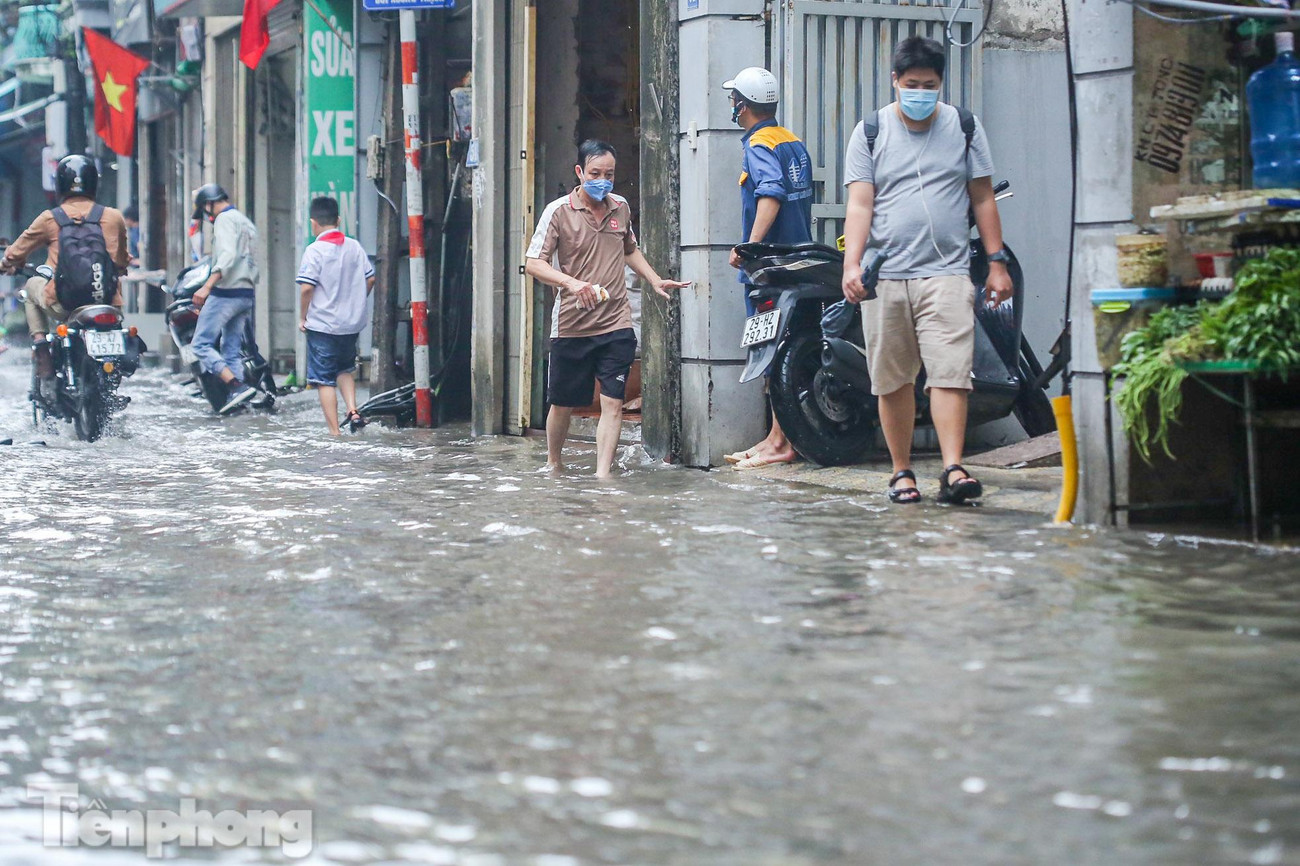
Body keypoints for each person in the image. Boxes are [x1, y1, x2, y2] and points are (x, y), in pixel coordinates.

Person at [840, 36, 1012, 505]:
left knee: (951, 372)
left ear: (941, 83)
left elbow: (983, 197)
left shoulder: (965, 127)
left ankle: (954, 468)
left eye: (930, 85)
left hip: (948, 272)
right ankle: (901, 473)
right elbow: (860, 204)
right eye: (912, 84)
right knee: (892, 379)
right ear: (895, 80)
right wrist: (851, 264)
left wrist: (996, 262)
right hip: (886, 276)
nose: (920, 92)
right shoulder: (870, 131)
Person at [524, 140, 691, 479]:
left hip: (616, 322)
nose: (603, 181)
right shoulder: (558, 212)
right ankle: (554, 463)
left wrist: (654, 279)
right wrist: (572, 284)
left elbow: (629, 249)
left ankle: (603, 477)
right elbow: (533, 264)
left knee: (612, 401)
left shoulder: (621, 207)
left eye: (609, 175)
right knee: (563, 403)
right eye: (595, 173)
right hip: (572, 325)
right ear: (579, 172)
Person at [722, 67, 815, 470]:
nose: (732, 105)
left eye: (733, 100)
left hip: (771, 268)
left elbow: (771, 193)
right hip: (797, 262)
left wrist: (751, 247)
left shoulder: (758, 145)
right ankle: (777, 436)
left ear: (742, 106)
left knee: (772, 351)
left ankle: (781, 442)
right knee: (785, 348)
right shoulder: (791, 140)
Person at [0, 155, 129, 402]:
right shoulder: (113, 217)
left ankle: (41, 348)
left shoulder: (51, 218)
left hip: (65, 303)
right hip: (107, 303)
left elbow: (15, 252)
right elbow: (122, 260)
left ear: (59, 184)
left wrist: (6, 265)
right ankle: (112, 381)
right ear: (94, 183)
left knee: (30, 287)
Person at [296, 196, 375, 435]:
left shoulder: (314, 250)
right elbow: (370, 278)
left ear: (313, 223)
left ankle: (334, 433)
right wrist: (357, 302)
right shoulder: (354, 247)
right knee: (345, 369)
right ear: (338, 220)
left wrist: (303, 317)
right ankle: (353, 411)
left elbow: (307, 288)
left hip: (323, 325)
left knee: (324, 379)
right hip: (350, 325)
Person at [189, 183, 262, 415]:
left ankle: (235, 385)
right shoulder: (244, 221)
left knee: (200, 344)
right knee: (230, 349)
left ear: (209, 204)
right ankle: (239, 401)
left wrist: (207, 286)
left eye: (205, 208)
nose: (206, 214)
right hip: (246, 292)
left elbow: (227, 256)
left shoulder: (224, 220)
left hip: (226, 292)